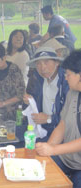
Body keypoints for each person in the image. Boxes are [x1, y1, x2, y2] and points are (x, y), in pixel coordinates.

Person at [36, 50, 81, 188]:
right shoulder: (73, 93)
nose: (65, 78)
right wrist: (48, 148)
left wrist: (54, 150)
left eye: (68, 74)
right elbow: (62, 124)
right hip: (66, 157)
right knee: (39, 174)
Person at [24, 47, 69, 142]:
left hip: (63, 135)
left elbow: (70, 116)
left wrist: (49, 118)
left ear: (57, 63)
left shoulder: (66, 82)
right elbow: (39, 102)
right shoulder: (39, 79)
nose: (42, 67)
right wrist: (31, 101)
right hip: (43, 131)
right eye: (38, 64)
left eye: (46, 62)